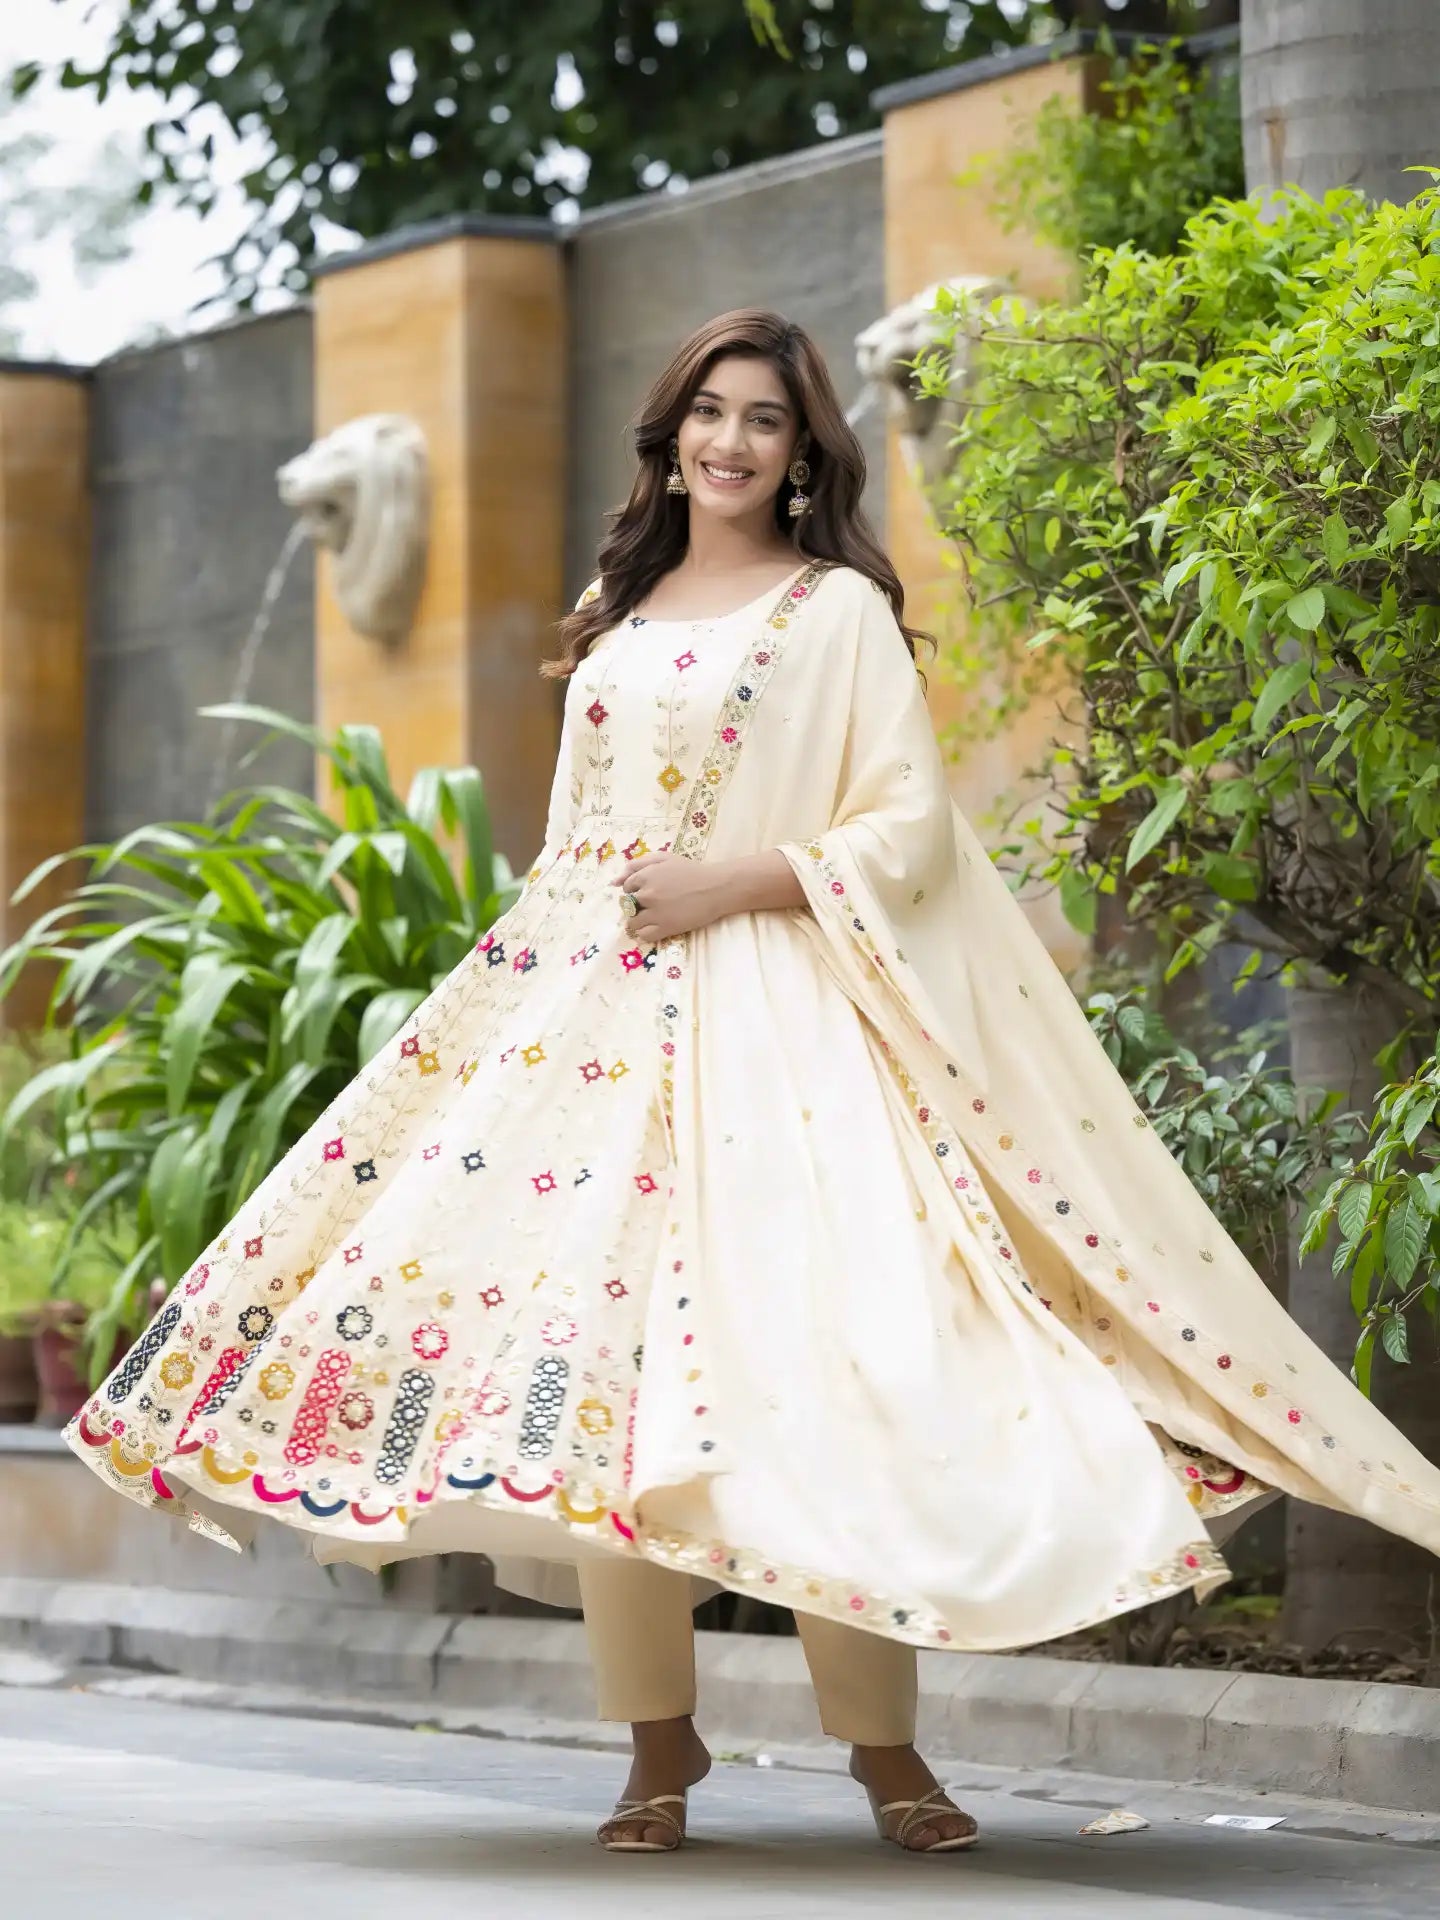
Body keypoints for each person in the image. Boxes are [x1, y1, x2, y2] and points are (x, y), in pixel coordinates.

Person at [67, 309, 1440, 1857]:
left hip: (783, 1032)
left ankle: (886, 1754)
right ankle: (656, 1747)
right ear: (670, 439)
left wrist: (735, 880)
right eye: (708, 413)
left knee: (832, 1373)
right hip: (587, 1032)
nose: (730, 441)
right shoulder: (617, 608)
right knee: (596, 1391)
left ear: (802, 455)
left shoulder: (836, 610)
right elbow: (576, 840)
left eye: (764, 420)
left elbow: (906, 828)